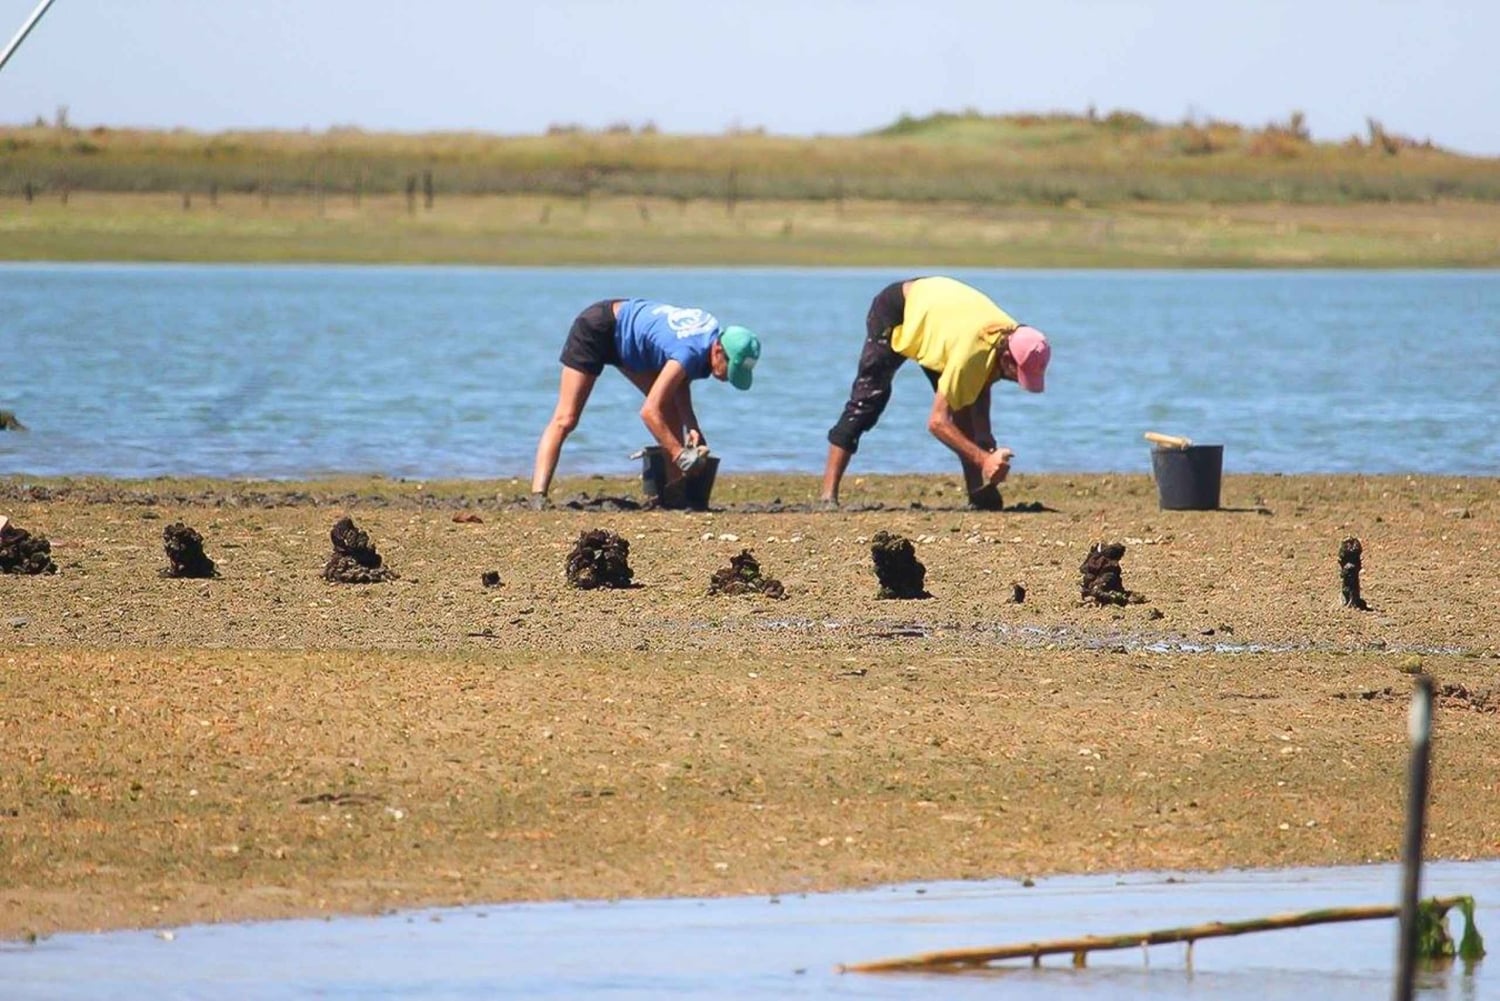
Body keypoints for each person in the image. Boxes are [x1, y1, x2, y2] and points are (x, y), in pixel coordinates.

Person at [821, 276, 1050, 509]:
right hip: (898, 311)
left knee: (965, 410)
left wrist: (984, 434)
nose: (1013, 381)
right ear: (1008, 357)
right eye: (1015, 375)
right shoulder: (971, 353)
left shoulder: (1008, 335)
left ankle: (977, 495)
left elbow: (982, 379)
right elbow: (937, 422)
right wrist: (984, 460)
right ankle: (828, 497)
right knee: (868, 402)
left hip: (940, 325)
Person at [530, 298, 760, 507]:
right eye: (729, 369)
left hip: (627, 347)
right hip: (598, 327)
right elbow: (648, 412)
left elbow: (679, 381)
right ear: (718, 350)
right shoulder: (691, 350)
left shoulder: (708, 340)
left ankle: (674, 496)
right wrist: (680, 454)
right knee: (566, 419)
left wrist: (692, 425)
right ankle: (538, 495)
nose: (727, 377)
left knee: (670, 411)